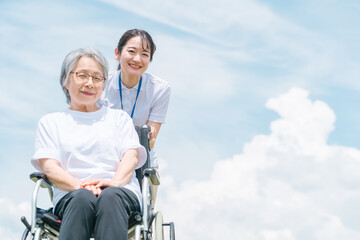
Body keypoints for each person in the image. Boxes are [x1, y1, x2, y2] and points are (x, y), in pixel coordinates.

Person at [31, 48, 147, 240]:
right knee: (83, 198)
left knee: (110, 197)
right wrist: (79, 186)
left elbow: (131, 155)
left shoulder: (119, 119)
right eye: (82, 75)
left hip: (120, 193)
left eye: (97, 78)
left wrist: (115, 182)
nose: (89, 83)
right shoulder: (51, 122)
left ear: (103, 84)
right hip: (72, 195)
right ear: (65, 80)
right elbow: (50, 167)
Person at [100, 29, 171, 168]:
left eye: (145, 54)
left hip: (141, 163)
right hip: (102, 159)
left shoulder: (160, 89)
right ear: (117, 53)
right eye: (131, 52)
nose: (137, 59)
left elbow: (150, 141)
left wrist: (149, 135)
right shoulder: (100, 83)